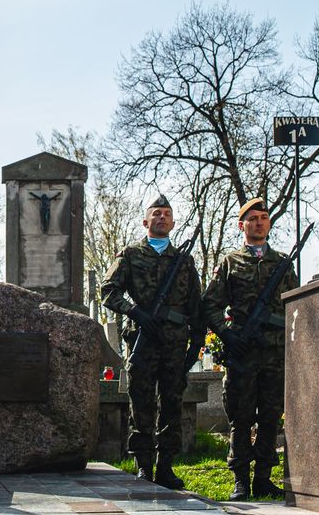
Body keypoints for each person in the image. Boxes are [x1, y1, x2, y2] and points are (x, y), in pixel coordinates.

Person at [101, 194, 203, 489]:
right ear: (145, 221)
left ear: (173, 223)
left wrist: (197, 342)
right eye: (156, 213)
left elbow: (195, 304)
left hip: (174, 344)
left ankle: (166, 467)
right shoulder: (131, 254)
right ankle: (144, 466)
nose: (162, 217)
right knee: (141, 403)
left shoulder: (184, 261)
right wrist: (134, 311)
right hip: (142, 341)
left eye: (167, 214)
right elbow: (108, 290)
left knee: (172, 403)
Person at [202, 198, 299, 501]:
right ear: (241, 225)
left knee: (271, 417)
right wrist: (228, 335)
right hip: (242, 354)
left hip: (274, 354)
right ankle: (241, 481)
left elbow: (295, 305)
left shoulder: (282, 264)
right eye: (253, 218)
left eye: (263, 218)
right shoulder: (230, 262)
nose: (259, 223)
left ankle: (264, 479)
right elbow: (210, 304)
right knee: (241, 420)